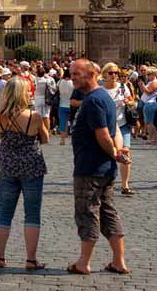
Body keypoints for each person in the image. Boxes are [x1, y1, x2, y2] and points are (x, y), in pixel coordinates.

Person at [67, 59, 129, 276]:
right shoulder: (104, 97)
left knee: (87, 213)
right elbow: (116, 131)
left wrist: (114, 153)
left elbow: (103, 134)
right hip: (105, 168)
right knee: (108, 212)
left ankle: (83, 262)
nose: (73, 76)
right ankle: (118, 261)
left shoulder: (93, 100)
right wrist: (117, 153)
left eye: (77, 73)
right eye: (71, 73)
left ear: (92, 74)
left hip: (90, 168)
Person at [0, 76, 48, 271]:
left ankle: (0, 257)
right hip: (31, 166)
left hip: (8, 166)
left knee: (4, 212)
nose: (30, 93)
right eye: (27, 90)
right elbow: (45, 138)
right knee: (32, 213)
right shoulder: (34, 116)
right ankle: (31, 259)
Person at [100, 65, 137, 196]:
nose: (114, 75)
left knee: (126, 153)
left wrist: (128, 101)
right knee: (108, 154)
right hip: (107, 127)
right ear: (105, 74)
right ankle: (105, 183)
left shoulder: (122, 87)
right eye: (111, 73)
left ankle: (125, 185)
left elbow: (132, 101)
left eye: (116, 72)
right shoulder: (101, 90)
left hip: (122, 124)